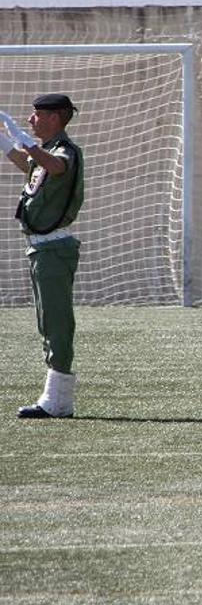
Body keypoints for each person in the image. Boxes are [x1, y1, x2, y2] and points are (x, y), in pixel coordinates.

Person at [0, 94, 85, 419]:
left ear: (54, 118)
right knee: (47, 321)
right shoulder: (44, 154)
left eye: (37, 115)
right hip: (41, 247)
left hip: (54, 246)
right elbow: (30, 166)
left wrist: (27, 143)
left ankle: (58, 400)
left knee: (56, 322)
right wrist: (6, 139)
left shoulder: (64, 151)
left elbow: (56, 167)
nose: (31, 120)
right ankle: (57, 398)